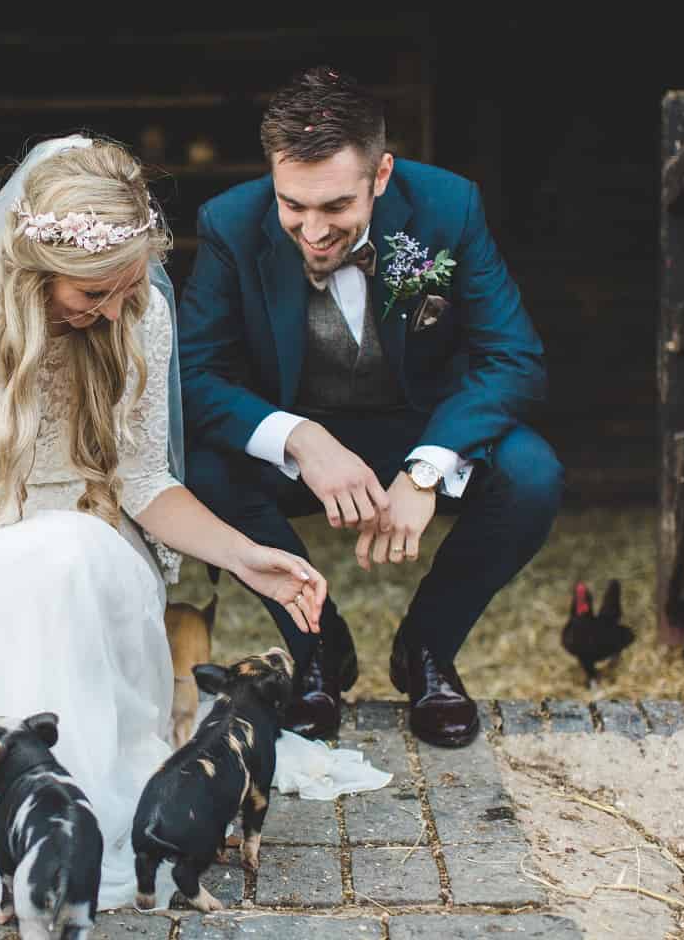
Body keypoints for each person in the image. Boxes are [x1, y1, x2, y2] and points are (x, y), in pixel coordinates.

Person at [0, 135, 388, 910]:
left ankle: (71, 802)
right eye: (95, 296)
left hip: (85, 533)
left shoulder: (137, 316)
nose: (117, 307)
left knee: (63, 558)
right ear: (36, 271)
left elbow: (148, 482)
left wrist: (247, 556)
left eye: (127, 290)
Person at [178, 67, 562, 748]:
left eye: (336, 208)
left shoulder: (449, 208)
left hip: (419, 427)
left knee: (531, 473)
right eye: (293, 205)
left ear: (381, 174)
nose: (314, 229)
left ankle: (428, 650)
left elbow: (514, 358)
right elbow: (196, 375)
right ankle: (316, 649)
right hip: (300, 442)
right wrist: (300, 438)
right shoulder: (231, 224)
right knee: (205, 471)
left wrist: (426, 471)